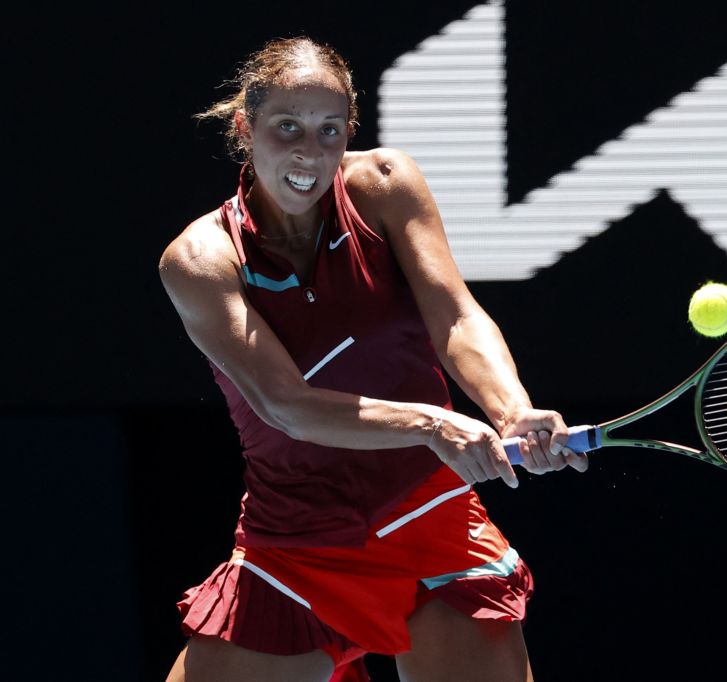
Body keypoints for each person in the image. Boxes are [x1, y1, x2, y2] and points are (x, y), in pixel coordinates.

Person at [158, 36, 588, 682]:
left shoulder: (385, 186)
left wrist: (512, 409)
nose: (310, 152)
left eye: (330, 130)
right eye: (287, 128)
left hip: (429, 513)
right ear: (246, 128)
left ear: (349, 131)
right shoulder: (201, 260)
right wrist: (433, 424)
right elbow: (286, 405)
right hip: (298, 543)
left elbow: (458, 318)